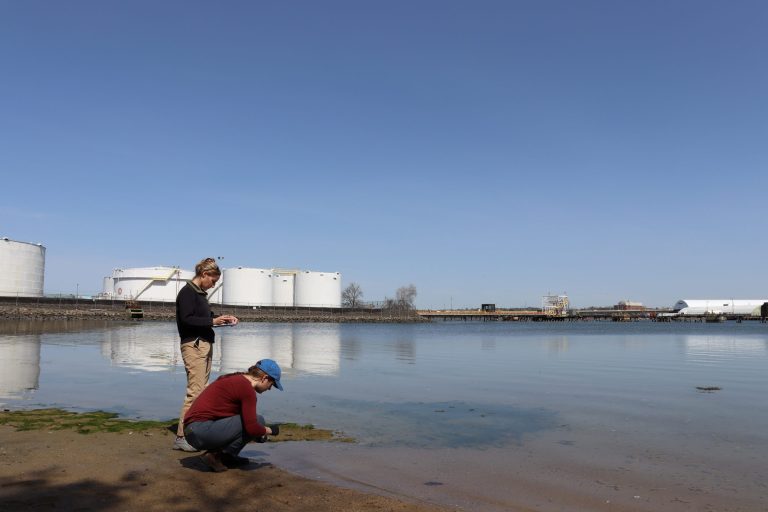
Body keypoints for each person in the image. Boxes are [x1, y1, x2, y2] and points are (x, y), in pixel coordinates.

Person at [173, 257, 239, 452]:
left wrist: (221, 319)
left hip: (203, 344)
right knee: (195, 392)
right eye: (213, 281)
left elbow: (201, 318)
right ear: (204, 275)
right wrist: (212, 322)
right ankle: (181, 436)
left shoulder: (199, 294)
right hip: (194, 345)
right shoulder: (187, 293)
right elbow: (186, 320)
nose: (213, 285)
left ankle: (197, 431)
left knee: (202, 391)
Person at [184, 359, 283, 472]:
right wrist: (271, 430)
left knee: (251, 422)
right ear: (265, 378)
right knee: (258, 420)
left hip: (190, 430)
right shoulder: (247, 390)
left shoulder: (235, 378)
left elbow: (237, 419)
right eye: (272, 384)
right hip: (200, 431)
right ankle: (215, 456)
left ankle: (227, 457)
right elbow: (252, 427)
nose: (270, 389)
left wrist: (258, 434)